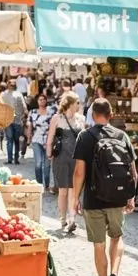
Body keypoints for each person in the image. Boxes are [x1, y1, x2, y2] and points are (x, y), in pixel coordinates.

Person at [72, 97, 138, 276]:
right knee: (117, 237)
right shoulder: (122, 136)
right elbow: (133, 172)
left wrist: (76, 197)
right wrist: (130, 196)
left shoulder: (85, 136)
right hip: (117, 197)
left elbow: (78, 172)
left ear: (92, 115)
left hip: (93, 199)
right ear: (111, 116)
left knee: (98, 244)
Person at [46, 89, 85, 235]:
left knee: (74, 190)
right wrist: (49, 154)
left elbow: (84, 140)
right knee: (63, 191)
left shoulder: (81, 119)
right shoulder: (57, 119)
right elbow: (50, 138)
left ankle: (72, 219)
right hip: (61, 157)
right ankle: (63, 218)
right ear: (70, 104)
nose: (79, 105)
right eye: (77, 103)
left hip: (77, 158)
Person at [28, 91, 55, 192]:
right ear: (37, 101)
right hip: (36, 140)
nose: (42, 101)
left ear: (46, 101)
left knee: (47, 165)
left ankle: (47, 185)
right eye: (40, 99)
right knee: (38, 163)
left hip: (48, 140)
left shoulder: (51, 112)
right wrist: (28, 138)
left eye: (44, 99)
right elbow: (30, 125)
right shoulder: (33, 112)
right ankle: (39, 184)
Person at [0, 82, 27, 165]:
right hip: (17, 120)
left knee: (9, 140)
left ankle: (10, 159)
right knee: (16, 140)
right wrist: (24, 115)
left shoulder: (3, 95)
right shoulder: (18, 94)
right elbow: (24, 107)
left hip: (8, 120)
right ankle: (16, 159)